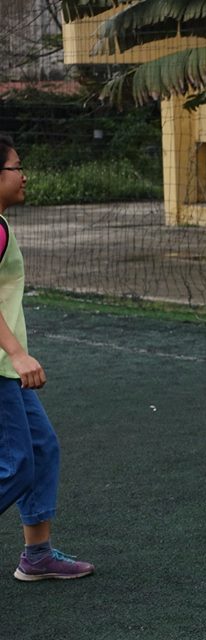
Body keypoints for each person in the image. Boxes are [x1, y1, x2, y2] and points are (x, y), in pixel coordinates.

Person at [0, 135, 95, 581]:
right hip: (3, 365)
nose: (24, 175)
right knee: (17, 464)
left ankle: (37, 556)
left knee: (41, 449)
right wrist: (17, 353)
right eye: (16, 167)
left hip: (6, 369)